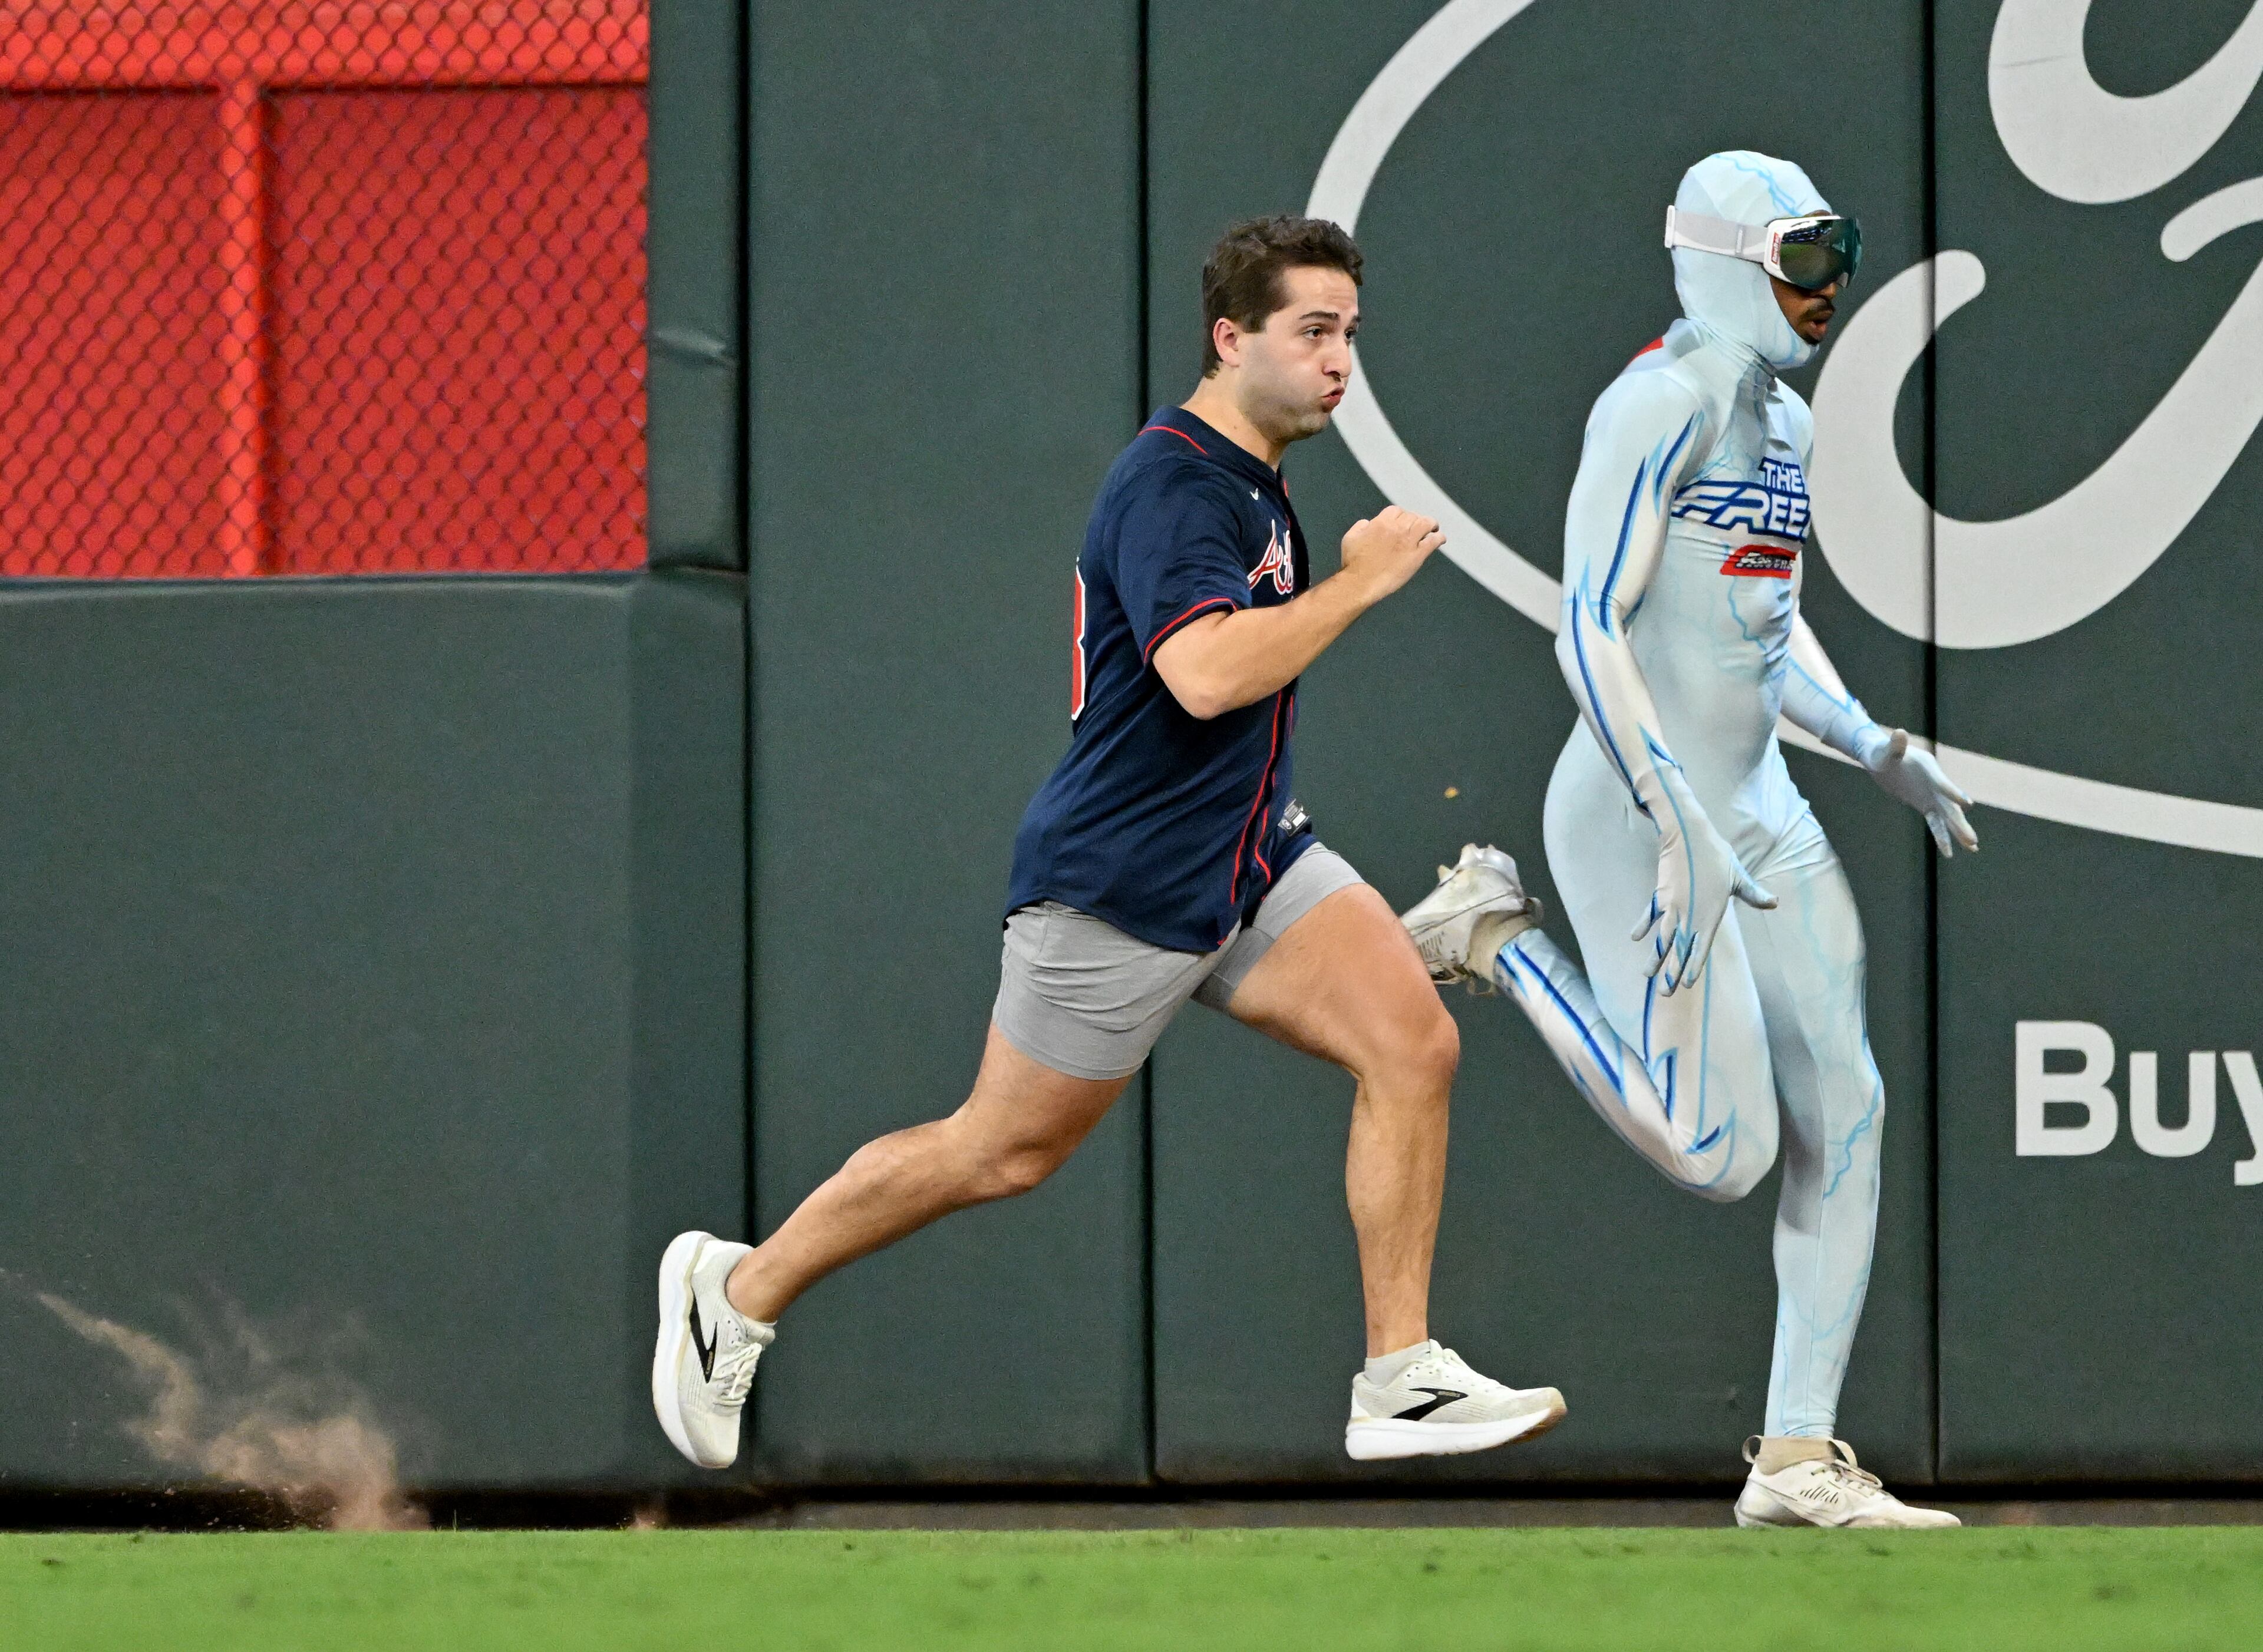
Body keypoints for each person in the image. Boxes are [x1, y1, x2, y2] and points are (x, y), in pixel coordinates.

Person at [655, 215, 1565, 1472]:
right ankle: (738, 1290)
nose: (1339, 361)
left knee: (1414, 1044)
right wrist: (1355, 584)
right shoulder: (1179, 484)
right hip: (1126, 883)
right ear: (1229, 337)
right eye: (1311, 332)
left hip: (1246, 862)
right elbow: (1199, 677)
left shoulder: (1248, 477)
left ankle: (1400, 1377)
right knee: (1000, 1150)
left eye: (1349, 333)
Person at [1400, 153, 1972, 1529]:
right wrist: (1672, 818)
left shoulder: (1789, 428)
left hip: (1759, 799)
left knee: (1854, 1108)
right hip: (1628, 808)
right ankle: (1493, 934)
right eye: (1801, 263)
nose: (1825, 296)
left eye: (1837, 262)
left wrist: (1872, 743)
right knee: (1722, 1154)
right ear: (1724, 260)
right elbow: (1587, 622)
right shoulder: (1655, 405)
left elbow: (1767, 624)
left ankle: (1794, 1458)